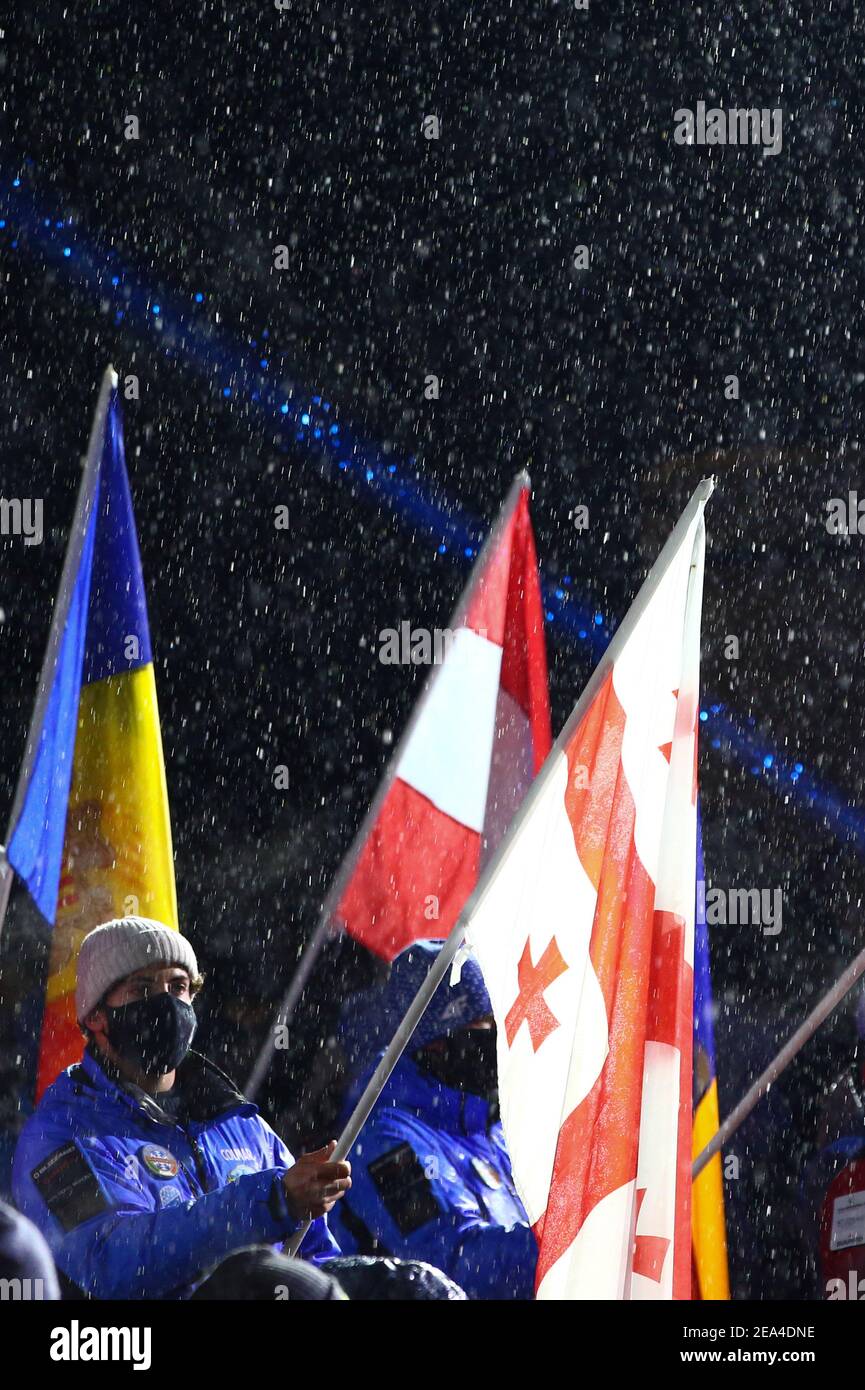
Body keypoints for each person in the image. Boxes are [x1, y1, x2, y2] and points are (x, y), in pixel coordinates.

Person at [12, 917, 351, 1299]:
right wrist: (269, 1202)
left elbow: (316, 1259)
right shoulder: (60, 1135)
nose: (166, 1004)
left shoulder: (238, 1121)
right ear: (96, 1017)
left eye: (179, 986)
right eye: (142, 989)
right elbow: (109, 1262)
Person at [328, 939, 537, 1299]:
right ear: (436, 1043)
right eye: (483, 1026)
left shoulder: (491, 1128)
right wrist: (570, 1242)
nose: (496, 1041)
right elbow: (450, 1266)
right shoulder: (382, 1143)